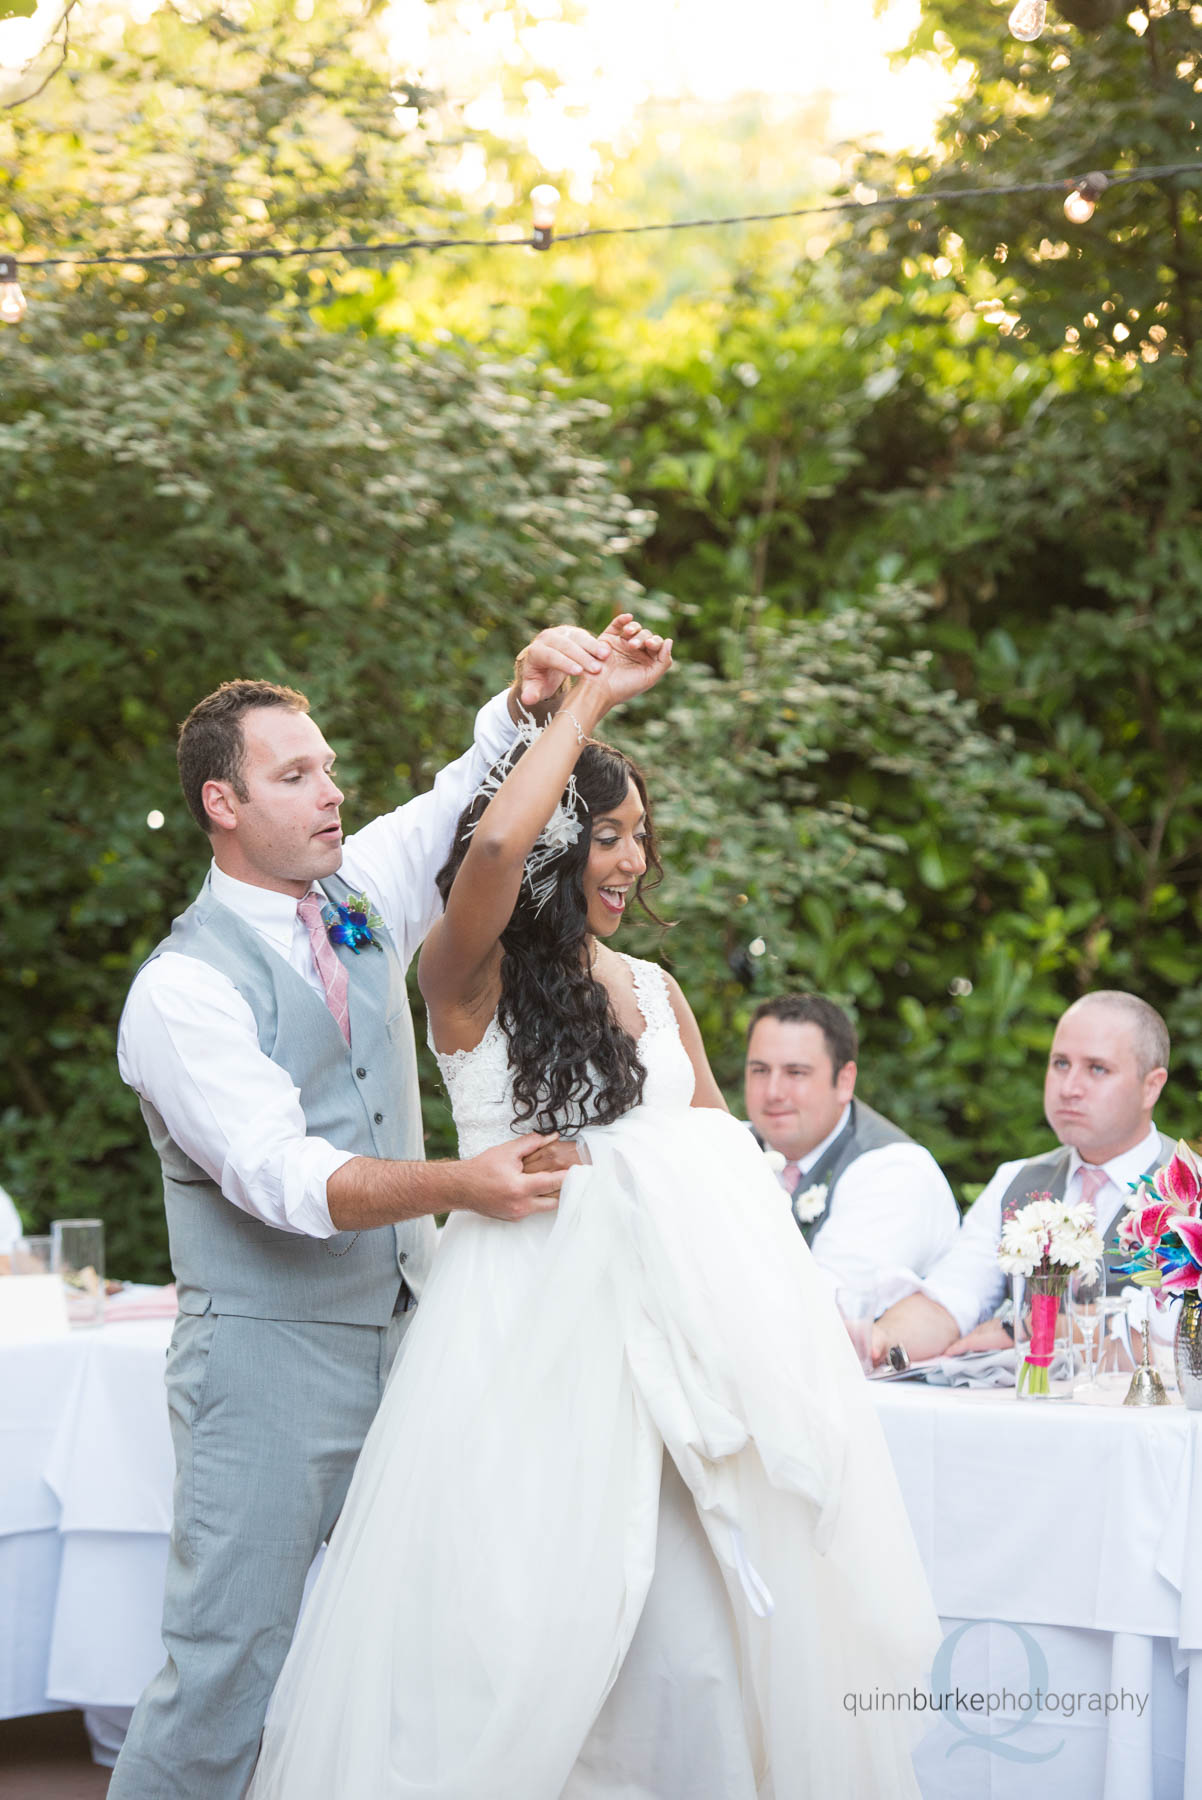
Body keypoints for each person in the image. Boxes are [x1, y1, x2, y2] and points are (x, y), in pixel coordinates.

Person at [247, 635, 940, 1799]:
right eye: (604, 835)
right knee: (517, 1639)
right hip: (528, 1354)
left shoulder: (658, 992)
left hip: (677, 1361)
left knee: (692, 1650)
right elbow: (502, 838)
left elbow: (729, 1165)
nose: (626, 861)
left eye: (636, 838)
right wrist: (579, 709)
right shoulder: (461, 975)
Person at [109, 620, 643, 1800]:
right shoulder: (182, 988)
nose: (332, 792)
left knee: (404, 1654)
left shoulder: (354, 897)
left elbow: (465, 803)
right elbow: (286, 1179)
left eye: (331, 767)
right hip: (264, 1365)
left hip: (416, 1345)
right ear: (221, 804)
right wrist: (463, 1184)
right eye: (295, 775)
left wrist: (529, 701)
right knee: (228, 1671)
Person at [871, 990, 1173, 1367]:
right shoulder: (1015, 1180)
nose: (1069, 1088)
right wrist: (878, 1340)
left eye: (1097, 1069)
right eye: (1060, 1064)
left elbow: (1175, 1339)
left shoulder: (1187, 1194)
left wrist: (1033, 1327)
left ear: (1152, 1086)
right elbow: (953, 1297)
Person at [745, 994, 958, 1305]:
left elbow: (829, 1306)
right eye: (760, 1070)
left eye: (796, 1073)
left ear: (845, 1081)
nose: (773, 1092)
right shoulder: (725, 1146)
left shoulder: (895, 1171)